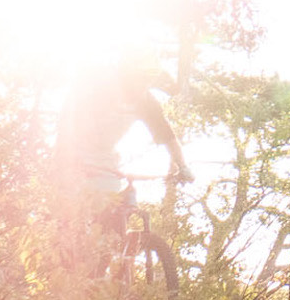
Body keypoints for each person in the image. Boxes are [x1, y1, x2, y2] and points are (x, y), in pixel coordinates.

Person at [51, 51, 190, 272]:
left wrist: (182, 166)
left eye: (149, 80)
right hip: (72, 153)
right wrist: (69, 160)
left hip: (104, 159)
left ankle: (100, 276)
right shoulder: (101, 89)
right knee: (75, 218)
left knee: (111, 220)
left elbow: (167, 136)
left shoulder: (146, 101)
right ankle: (66, 266)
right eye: (140, 78)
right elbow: (70, 121)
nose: (144, 85)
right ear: (126, 75)